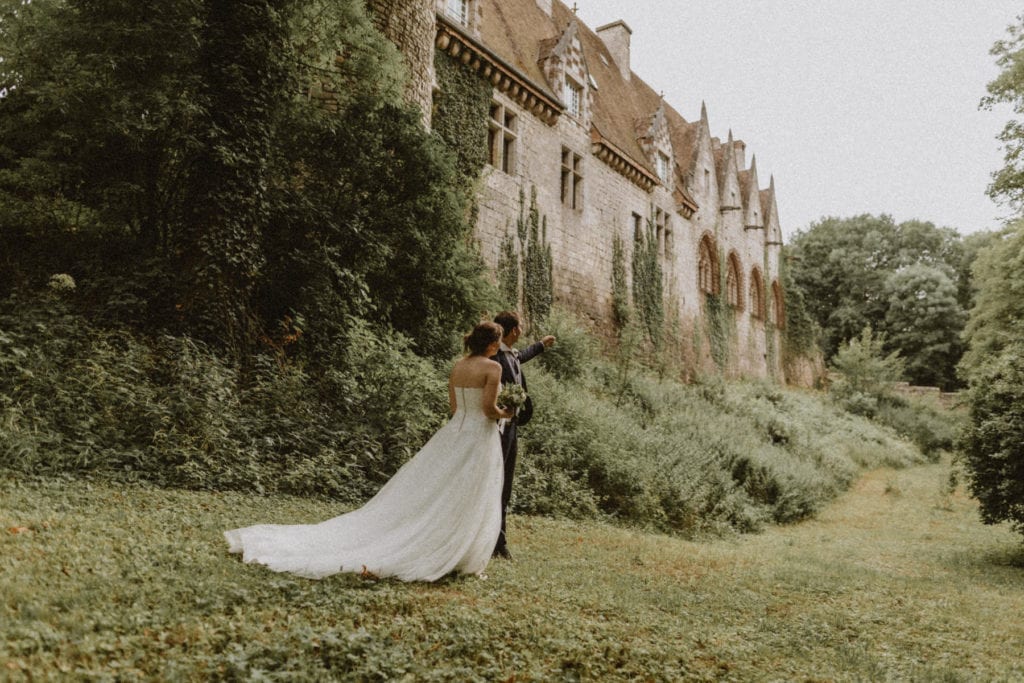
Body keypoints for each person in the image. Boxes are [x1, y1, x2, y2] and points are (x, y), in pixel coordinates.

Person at [223, 322, 514, 582]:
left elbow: (454, 408)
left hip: (454, 433)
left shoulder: (459, 366)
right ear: (492, 344)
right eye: (497, 344)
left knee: (443, 490)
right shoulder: (493, 367)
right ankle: (460, 554)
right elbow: (488, 409)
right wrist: (507, 412)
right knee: (471, 492)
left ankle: (454, 548)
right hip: (477, 436)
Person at [490, 311, 555, 559]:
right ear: (513, 330)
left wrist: (540, 345)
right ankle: (496, 541)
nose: (521, 331)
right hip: (498, 426)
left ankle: (500, 540)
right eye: (519, 327)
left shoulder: (511, 353)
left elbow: (520, 357)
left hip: (513, 426)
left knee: (506, 483)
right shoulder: (494, 356)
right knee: (497, 482)